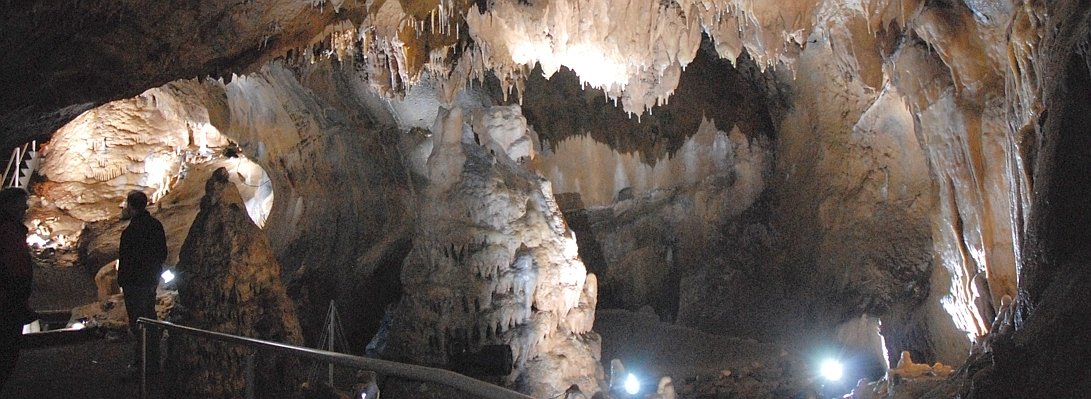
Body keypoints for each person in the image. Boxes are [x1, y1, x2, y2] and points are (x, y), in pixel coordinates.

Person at [118, 190, 167, 371]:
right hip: (150, 280)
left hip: (134, 283)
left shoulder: (130, 232)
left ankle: (142, 364)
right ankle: (153, 361)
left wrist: (122, 281)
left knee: (138, 323)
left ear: (130, 206)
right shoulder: (156, 226)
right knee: (150, 319)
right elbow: (162, 252)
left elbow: (125, 259)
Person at [0, 187, 37, 390]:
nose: (25, 208)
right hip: (8, 300)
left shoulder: (12, 229)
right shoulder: (8, 230)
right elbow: (13, 267)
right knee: (7, 349)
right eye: (21, 204)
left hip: (12, 298)